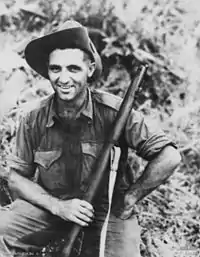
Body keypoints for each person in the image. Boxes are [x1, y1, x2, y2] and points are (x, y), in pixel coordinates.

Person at [0, 20, 181, 257]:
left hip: (107, 212)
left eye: (73, 68)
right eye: (56, 69)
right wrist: (58, 206)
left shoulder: (115, 112)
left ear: (90, 69)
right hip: (53, 207)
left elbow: (169, 156)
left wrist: (129, 199)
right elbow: (15, 179)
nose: (63, 79)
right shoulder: (33, 118)